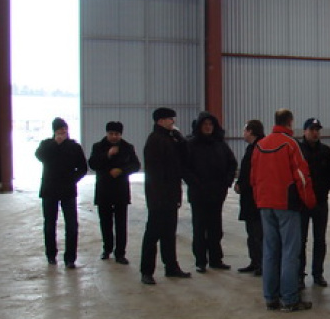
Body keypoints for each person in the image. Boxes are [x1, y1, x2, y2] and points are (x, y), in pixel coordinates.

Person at [250, 109, 316, 312]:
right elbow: (302, 176)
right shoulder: (290, 144)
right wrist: (310, 202)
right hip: (286, 205)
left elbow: (253, 177)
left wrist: (259, 199)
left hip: (265, 204)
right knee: (290, 252)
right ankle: (289, 298)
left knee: (270, 251)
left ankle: (271, 297)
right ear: (290, 122)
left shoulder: (260, 145)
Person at [139, 107, 191, 285]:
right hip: (159, 196)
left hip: (170, 194)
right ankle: (147, 271)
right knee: (153, 234)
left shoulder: (170, 138)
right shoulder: (154, 140)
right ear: (160, 121)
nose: (173, 122)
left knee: (169, 233)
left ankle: (171, 266)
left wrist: (181, 140)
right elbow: (155, 173)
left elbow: (182, 160)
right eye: (170, 119)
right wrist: (158, 197)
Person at [183, 111, 238, 273]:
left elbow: (232, 164)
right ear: (199, 126)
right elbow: (184, 168)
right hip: (198, 194)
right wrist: (195, 184)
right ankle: (200, 261)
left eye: (210, 124)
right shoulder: (191, 144)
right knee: (199, 228)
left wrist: (226, 182)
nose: (208, 127)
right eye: (205, 124)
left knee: (215, 228)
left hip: (217, 193)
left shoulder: (220, 144)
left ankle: (215, 259)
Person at [35, 117, 88, 268]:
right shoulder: (46, 144)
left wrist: (72, 179)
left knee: (71, 225)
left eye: (64, 129)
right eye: (59, 130)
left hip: (68, 190)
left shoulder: (74, 146)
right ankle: (51, 255)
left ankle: (70, 258)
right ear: (54, 132)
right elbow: (39, 156)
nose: (62, 132)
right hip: (49, 190)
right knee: (49, 224)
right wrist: (55, 144)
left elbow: (83, 168)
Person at [88, 121, 141, 264]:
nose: (113, 136)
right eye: (111, 134)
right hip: (104, 189)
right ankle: (107, 249)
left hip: (120, 190)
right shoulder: (98, 147)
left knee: (121, 223)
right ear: (107, 133)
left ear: (120, 134)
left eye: (116, 134)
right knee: (105, 222)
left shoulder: (127, 147)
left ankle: (120, 253)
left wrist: (122, 170)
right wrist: (107, 155)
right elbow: (92, 164)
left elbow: (136, 165)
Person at [298, 118, 330, 288]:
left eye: (317, 130)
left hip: (320, 202)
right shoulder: (298, 150)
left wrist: (324, 189)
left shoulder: (325, 151)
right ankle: (299, 274)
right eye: (312, 129)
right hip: (302, 203)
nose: (315, 133)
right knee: (301, 240)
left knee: (320, 239)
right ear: (304, 131)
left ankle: (318, 273)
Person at [234, 119, 265, 276]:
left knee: (258, 233)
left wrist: (244, 184)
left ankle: (261, 264)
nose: (243, 133)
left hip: (256, 198)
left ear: (251, 131)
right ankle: (254, 261)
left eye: (245, 130)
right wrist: (239, 183)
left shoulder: (260, 148)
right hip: (248, 198)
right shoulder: (251, 147)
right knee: (251, 233)